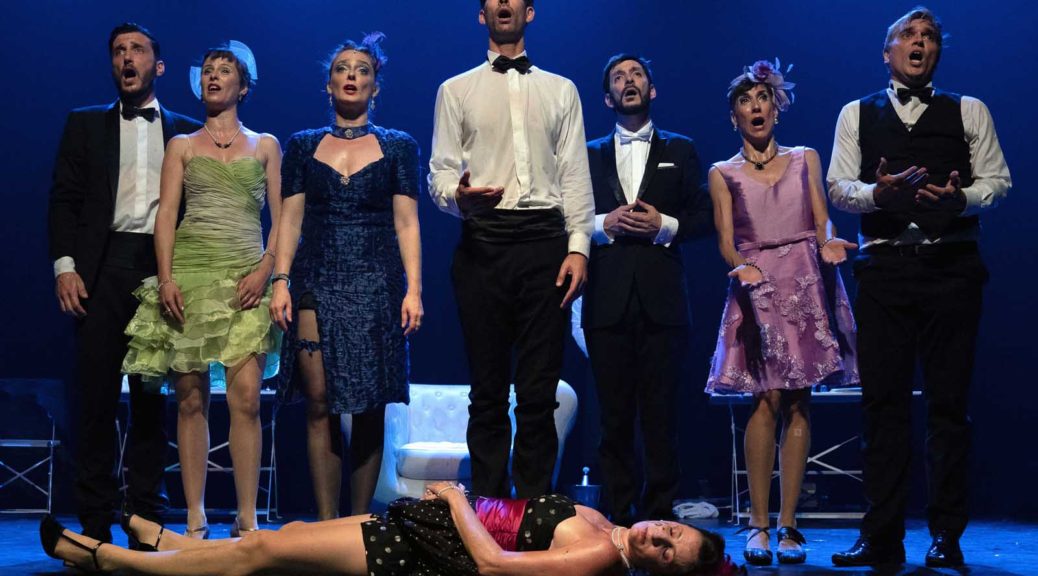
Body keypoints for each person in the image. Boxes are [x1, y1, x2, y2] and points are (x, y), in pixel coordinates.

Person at [827, 7, 1010, 568]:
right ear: (887, 52)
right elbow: (838, 186)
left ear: (937, 53)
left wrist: (960, 199)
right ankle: (881, 536)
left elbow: (998, 182)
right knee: (882, 406)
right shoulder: (856, 113)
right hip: (885, 270)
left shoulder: (969, 109)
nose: (919, 42)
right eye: (908, 34)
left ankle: (946, 537)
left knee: (948, 408)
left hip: (951, 267)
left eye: (929, 37)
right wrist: (876, 195)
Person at [428, 0, 594, 499]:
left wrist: (579, 247)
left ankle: (535, 507)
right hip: (484, 240)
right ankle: (490, 508)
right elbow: (439, 173)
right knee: (488, 390)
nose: (504, 3)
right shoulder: (455, 89)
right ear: (482, 15)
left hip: (545, 242)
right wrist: (458, 197)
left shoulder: (561, 89)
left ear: (530, 12)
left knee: (539, 391)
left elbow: (574, 173)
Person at [121, 40, 283, 538]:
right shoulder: (182, 145)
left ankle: (247, 517)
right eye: (208, 70)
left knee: (246, 399)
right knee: (190, 399)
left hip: (247, 279)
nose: (213, 76)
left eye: (224, 70)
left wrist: (267, 269)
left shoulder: (266, 145)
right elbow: (166, 214)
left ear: (243, 86)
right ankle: (195, 515)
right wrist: (166, 278)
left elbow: (284, 219)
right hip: (190, 277)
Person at [47, 22, 201, 545]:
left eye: (136, 49)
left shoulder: (186, 132)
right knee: (94, 399)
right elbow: (64, 200)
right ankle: (94, 521)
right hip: (100, 268)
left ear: (158, 65)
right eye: (118, 51)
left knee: (151, 400)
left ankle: (147, 520)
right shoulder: (84, 123)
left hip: (160, 269)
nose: (126, 58)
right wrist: (66, 267)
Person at [705, 59, 859, 566]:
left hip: (805, 278)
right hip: (757, 283)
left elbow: (821, 219)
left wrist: (829, 242)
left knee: (799, 400)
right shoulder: (722, 172)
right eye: (745, 101)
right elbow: (726, 241)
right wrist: (741, 268)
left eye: (763, 98)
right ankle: (758, 524)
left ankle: (790, 524)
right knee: (765, 398)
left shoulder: (805, 158)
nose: (756, 107)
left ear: (777, 107)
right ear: (733, 115)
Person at [268, 33, 422, 518]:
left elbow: (407, 223)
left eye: (362, 70)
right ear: (328, 84)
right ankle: (325, 525)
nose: (351, 75)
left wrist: (414, 290)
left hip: (376, 283)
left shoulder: (399, 146)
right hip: (316, 278)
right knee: (319, 402)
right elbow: (289, 220)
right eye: (342, 68)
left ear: (376, 86)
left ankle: (359, 526)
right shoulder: (302, 145)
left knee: (370, 406)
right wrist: (280, 281)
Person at [41, 481, 741, 576]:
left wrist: (459, 501)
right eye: (671, 531)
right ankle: (168, 545)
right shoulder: (605, 521)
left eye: (667, 551)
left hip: (430, 549)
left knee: (262, 551)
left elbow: (495, 567)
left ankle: (106, 559)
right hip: (429, 524)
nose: (659, 537)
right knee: (285, 536)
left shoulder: (596, 556)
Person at [583, 54, 713, 527]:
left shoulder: (682, 148)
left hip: (663, 300)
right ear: (607, 98)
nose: (629, 81)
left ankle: (659, 516)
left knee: (661, 415)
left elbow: (705, 217)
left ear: (652, 90)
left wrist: (664, 225)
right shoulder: (587, 152)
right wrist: (604, 223)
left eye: (636, 74)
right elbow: (565, 214)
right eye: (618, 77)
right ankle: (618, 520)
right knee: (613, 417)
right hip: (606, 298)